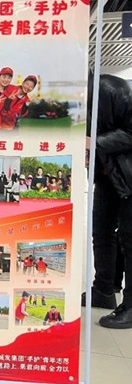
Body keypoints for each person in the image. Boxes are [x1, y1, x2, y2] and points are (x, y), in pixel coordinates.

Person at [85, 74, 132, 328]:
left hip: (129, 174)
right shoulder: (73, 97)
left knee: (129, 238)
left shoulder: (114, 89)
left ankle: (130, 306)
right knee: (101, 231)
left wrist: (95, 143)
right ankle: (103, 290)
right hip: (107, 174)